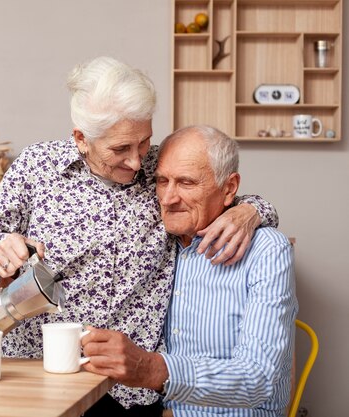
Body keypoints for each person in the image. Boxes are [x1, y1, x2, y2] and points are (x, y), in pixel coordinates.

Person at [0, 57, 278, 416]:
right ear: (81, 138)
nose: (137, 162)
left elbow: (221, 192)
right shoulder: (38, 166)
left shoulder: (161, 168)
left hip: (132, 391)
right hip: (41, 377)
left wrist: (252, 211)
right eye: (120, 149)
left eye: (143, 142)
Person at [81, 125, 297, 417]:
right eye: (162, 181)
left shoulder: (266, 251)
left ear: (229, 188)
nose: (168, 198)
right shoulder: (157, 243)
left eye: (186, 182)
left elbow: (257, 380)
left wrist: (150, 369)